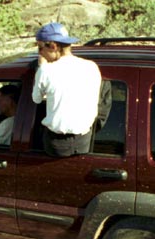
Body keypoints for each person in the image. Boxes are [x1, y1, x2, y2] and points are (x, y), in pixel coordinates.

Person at [31, 22, 102, 157]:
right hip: (84, 139)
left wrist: (41, 67)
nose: (39, 53)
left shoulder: (46, 70)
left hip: (56, 142)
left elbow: (36, 99)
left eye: (40, 48)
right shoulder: (91, 67)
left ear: (53, 46)